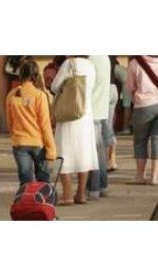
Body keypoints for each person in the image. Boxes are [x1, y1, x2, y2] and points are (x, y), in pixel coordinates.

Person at [51, 56, 99, 205]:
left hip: (69, 114)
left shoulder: (69, 64)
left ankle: (67, 194)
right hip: (85, 114)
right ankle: (81, 194)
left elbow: (54, 86)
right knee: (83, 153)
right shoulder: (91, 65)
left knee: (64, 152)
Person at [6, 60, 57, 186]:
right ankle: (44, 201)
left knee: (25, 179)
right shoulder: (39, 96)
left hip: (19, 143)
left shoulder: (12, 95)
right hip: (38, 144)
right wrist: (51, 149)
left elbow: (10, 122)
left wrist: (15, 136)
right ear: (36, 75)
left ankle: (27, 202)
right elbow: (45, 125)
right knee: (43, 178)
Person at [126, 56, 158, 185]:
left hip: (142, 105)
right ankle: (154, 177)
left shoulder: (135, 63)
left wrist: (135, 97)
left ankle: (140, 175)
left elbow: (130, 86)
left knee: (140, 141)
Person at [87, 55, 112, 199]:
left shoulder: (91, 59)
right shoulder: (105, 57)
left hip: (92, 110)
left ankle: (93, 188)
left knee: (93, 153)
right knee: (100, 152)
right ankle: (103, 186)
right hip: (101, 109)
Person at [107, 56, 119, 172]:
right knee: (109, 125)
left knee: (102, 125)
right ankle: (112, 158)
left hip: (103, 87)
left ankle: (107, 159)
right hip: (113, 87)